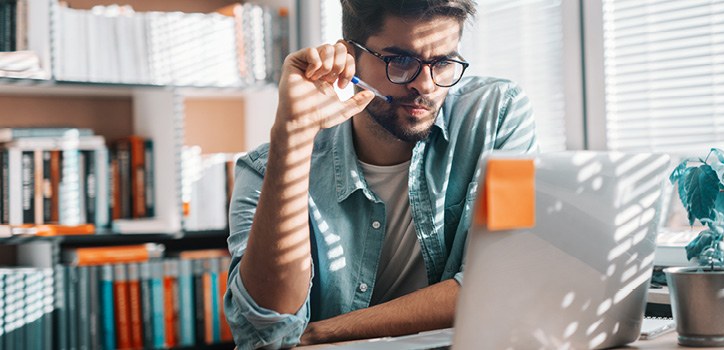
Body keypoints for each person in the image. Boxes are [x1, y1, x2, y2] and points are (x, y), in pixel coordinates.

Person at [224, 0, 537, 348]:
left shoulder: (497, 114)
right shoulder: (265, 170)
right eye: (400, 61)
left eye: (443, 63)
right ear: (349, 58)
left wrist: (323, 332)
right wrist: (293, 136)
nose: (426, 86)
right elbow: (266, 331)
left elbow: (503, 282)